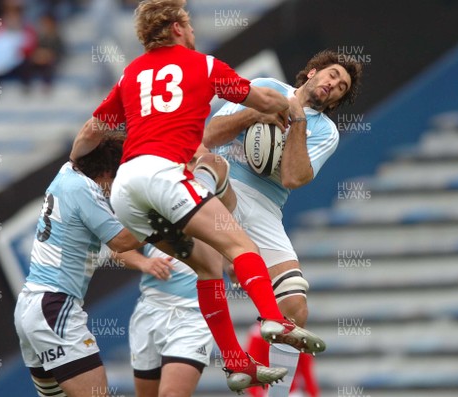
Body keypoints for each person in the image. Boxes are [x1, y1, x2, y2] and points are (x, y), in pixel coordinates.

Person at [69, 0, 326, 392]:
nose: (192, 32)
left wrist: (74, 162)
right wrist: (291, 109)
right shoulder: (203, 65)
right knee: (242, 246)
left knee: (208, 266)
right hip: (165, 176)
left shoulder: (130, 74)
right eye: (187, 25)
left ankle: (237, 363)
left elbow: (92, 131)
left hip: (126, 190)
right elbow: (262, 99)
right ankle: (272, 317)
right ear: (175, 28)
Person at [200, 49, 362, 397]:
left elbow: (291, 177)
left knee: (295, 309)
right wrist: (255, 114)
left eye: (342, 88)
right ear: (313, 72)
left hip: (265, 206)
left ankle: (277, 394)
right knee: (209, 162)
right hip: (222, 178)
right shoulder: (264, 86)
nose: (334, 85)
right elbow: (209, 134)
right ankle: (225, 249)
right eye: (332, 75)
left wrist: (296, 119)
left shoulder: (326, 132)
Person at [14, 133, 157, 397]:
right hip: (54, 307)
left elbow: (87, 135)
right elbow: (121, 241)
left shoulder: (66, 172)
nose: (116, 190)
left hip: (30, 307)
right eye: (117, 180)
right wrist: (163, 214)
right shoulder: (85, 189)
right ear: (106, 172)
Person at [128, 153, 214, 397]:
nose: (189, 166)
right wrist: (144, 262)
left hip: (193, 315)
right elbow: (116, 246)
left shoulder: (216, 202)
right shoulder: (151, 199)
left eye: (194, 159)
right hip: (150, 310)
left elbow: (239, 247)